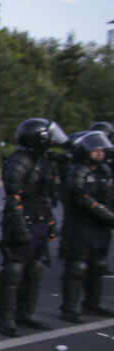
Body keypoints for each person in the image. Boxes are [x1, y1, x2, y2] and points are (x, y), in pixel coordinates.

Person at [0, 119, 67, 336]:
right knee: (14, 269)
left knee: (34, 269)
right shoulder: (19, 161)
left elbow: (45, 196)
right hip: (21, 219)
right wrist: (20, 227)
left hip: (40, 217)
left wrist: (51, 222)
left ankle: (26, 313)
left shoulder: (43, 161)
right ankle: (5, 318)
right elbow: (13, 198)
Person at [59, 130, 114, 322]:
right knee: (77, 267)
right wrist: (107, 215)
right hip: (81, 226)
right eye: (95, 149)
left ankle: (93, 303)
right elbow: (81, 197)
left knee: (97, 266)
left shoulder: (104, 170)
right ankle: (70, 307)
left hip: (101, 227)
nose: (100, 152)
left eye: (101, 148)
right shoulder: (78, 170)